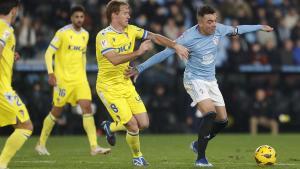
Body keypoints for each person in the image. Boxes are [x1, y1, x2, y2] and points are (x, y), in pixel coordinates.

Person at [126, 5, 273, 167]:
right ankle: (201, 159)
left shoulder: (219, 29)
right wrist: (140, 68)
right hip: (194, 79)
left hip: (211, 80)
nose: (213, 24)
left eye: (215, 21)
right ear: (200, 23)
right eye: (209, 21)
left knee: (222, 120)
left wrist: (260, 27)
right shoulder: (188, 37)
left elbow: (238, 30)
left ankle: (197, 145)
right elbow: (164, 53)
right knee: (210, 114)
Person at [96, 0, 188, 166]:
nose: (129, 15)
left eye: (128, 12)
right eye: (125, 12)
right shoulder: (103, 36)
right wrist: (139, 52)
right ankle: (137, 157)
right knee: (132, 125)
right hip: (108, 87)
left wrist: (175, 46)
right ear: (114, 14)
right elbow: (114, 60)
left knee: (144, 123)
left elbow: (154, 36)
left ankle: (111, 126)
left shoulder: (131, 30)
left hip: (125, 84)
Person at [35, 5, 111, 156]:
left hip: (79, 80)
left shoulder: (85, 34)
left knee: (87, 108)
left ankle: (94, 147)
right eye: (76, 17)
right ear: (71, 18)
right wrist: (51, 73)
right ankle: (40, 143)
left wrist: (83, 75)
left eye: (81, 17)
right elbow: (48, 53)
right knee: (56, 112)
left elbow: (82, 56)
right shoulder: (62, 33)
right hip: (63, 80)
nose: (79, 19)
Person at [0, 0, 34, 168]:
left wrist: (9, 55)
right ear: (14, 10)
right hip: (2, 89)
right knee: (25, 126)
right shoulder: (5, 29)